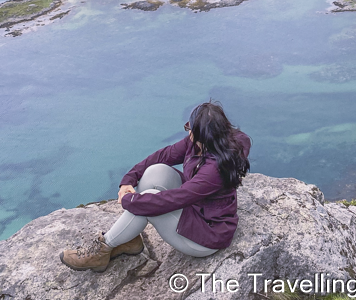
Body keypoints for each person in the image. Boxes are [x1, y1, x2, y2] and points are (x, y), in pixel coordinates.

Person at [59, 101, 251, 272]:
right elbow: (164, 155)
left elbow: (178, 198)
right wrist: (128, 180)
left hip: (207, 235)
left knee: (147, 200)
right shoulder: (202, 143)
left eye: (190, 128)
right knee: (155, 171)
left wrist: (130, 200)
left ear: (204, 134)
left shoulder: (214, 169)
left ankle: (102, 250)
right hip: (196, 207)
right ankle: (128, 240)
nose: (188, 132)